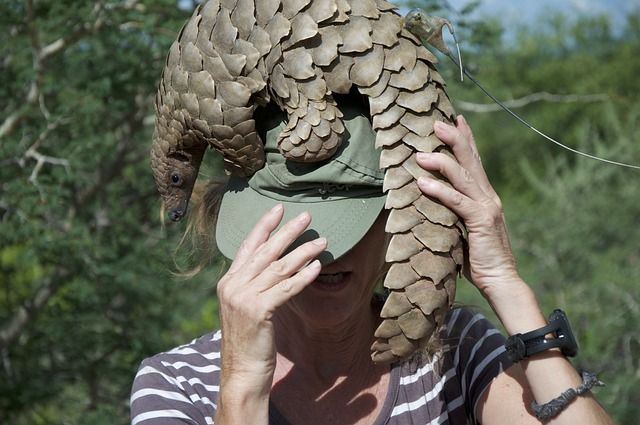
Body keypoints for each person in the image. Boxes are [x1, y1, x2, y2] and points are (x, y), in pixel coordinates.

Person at [130, 96, 613, 424]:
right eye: (296, 224)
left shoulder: (455, 354)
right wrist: (241, 387)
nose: (327, 249)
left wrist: (504, 281)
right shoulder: (179, 384)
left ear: (395, 222)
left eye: (351, 219)